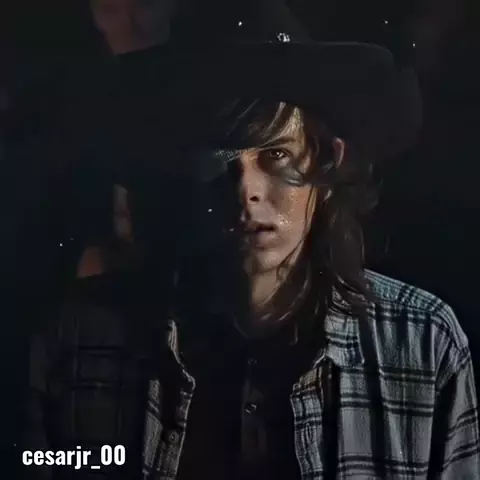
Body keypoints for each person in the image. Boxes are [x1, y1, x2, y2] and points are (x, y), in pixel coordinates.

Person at [19, 0, 479, 479]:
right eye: (218, 159)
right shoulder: (78, 340)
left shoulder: (421, 344)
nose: (247, 191)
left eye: (276, 154)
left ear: (328, 162)